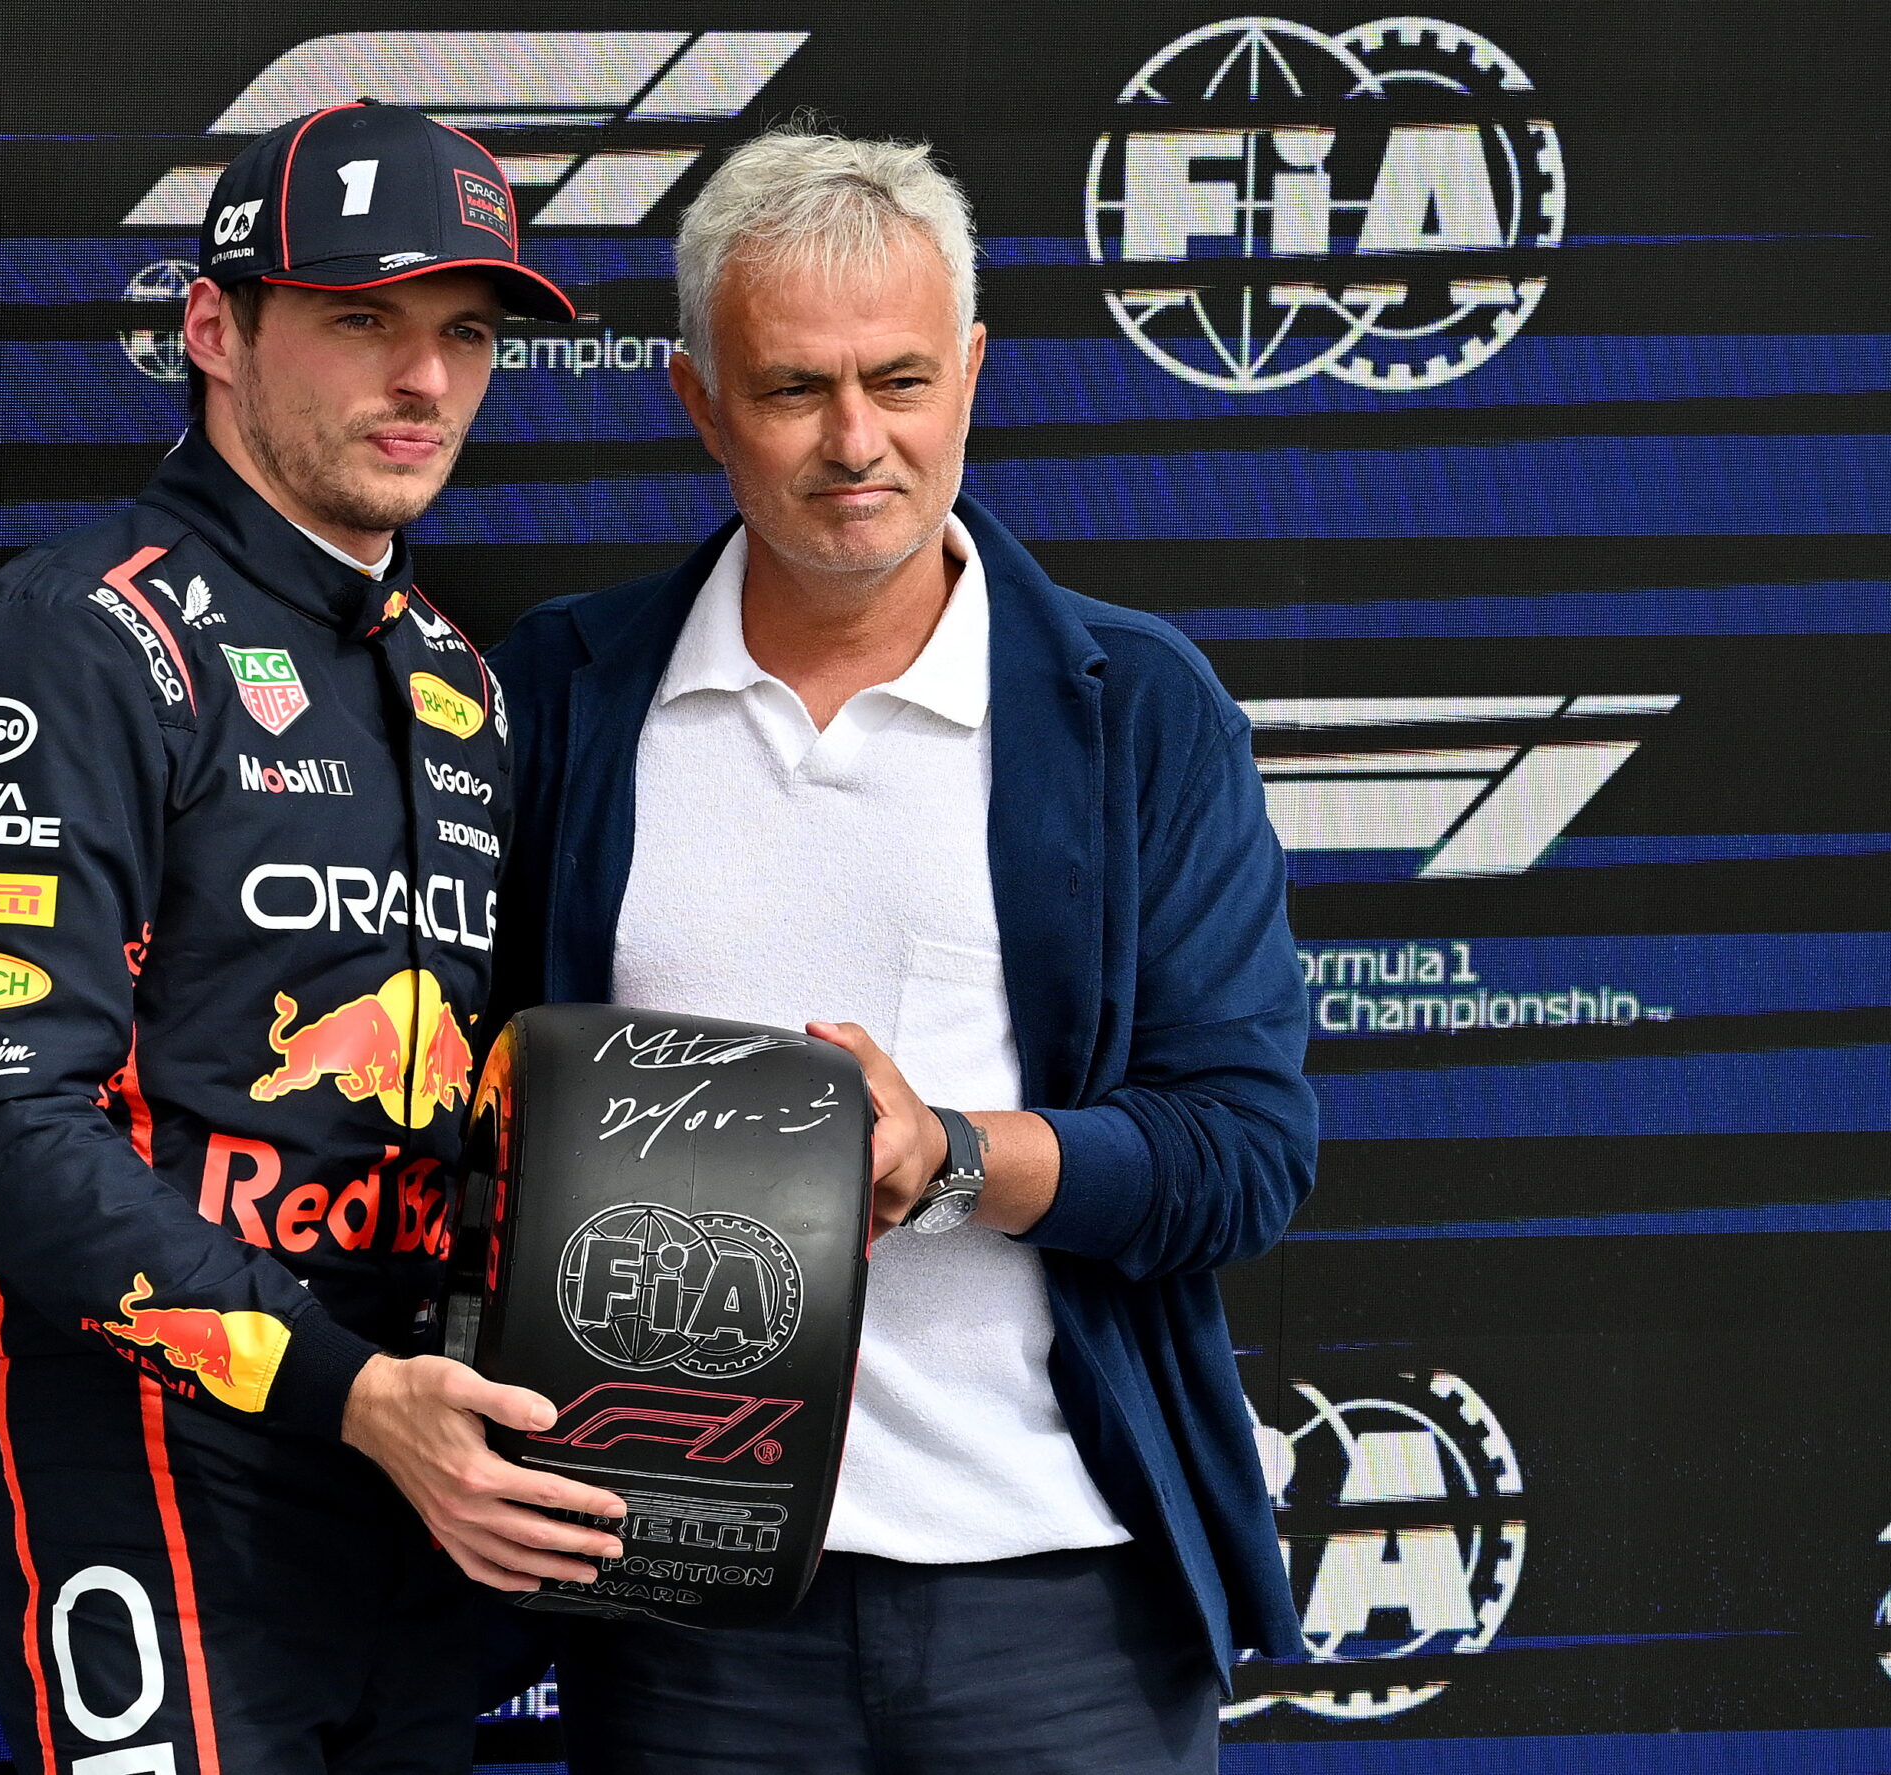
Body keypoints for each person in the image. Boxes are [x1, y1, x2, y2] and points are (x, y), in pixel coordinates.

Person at [489, 128, 1318, 1773]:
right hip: (675, 1608)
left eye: (901, 381)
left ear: (975, 374)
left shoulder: (1140, 714)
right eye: (795, 389)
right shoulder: (562, 694)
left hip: (1060, 1595)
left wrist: (951, 1156)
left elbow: (1244, 1150)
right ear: (697, 399)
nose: (856, 440)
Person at [0, 102, 628, 1775]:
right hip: (161, 1473)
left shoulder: (460, 678)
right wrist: (348, 1392)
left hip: (419, 1496)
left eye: (465, 333)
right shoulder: (77, 642)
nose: (424, 380)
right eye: (362, 320)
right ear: (214, 329)